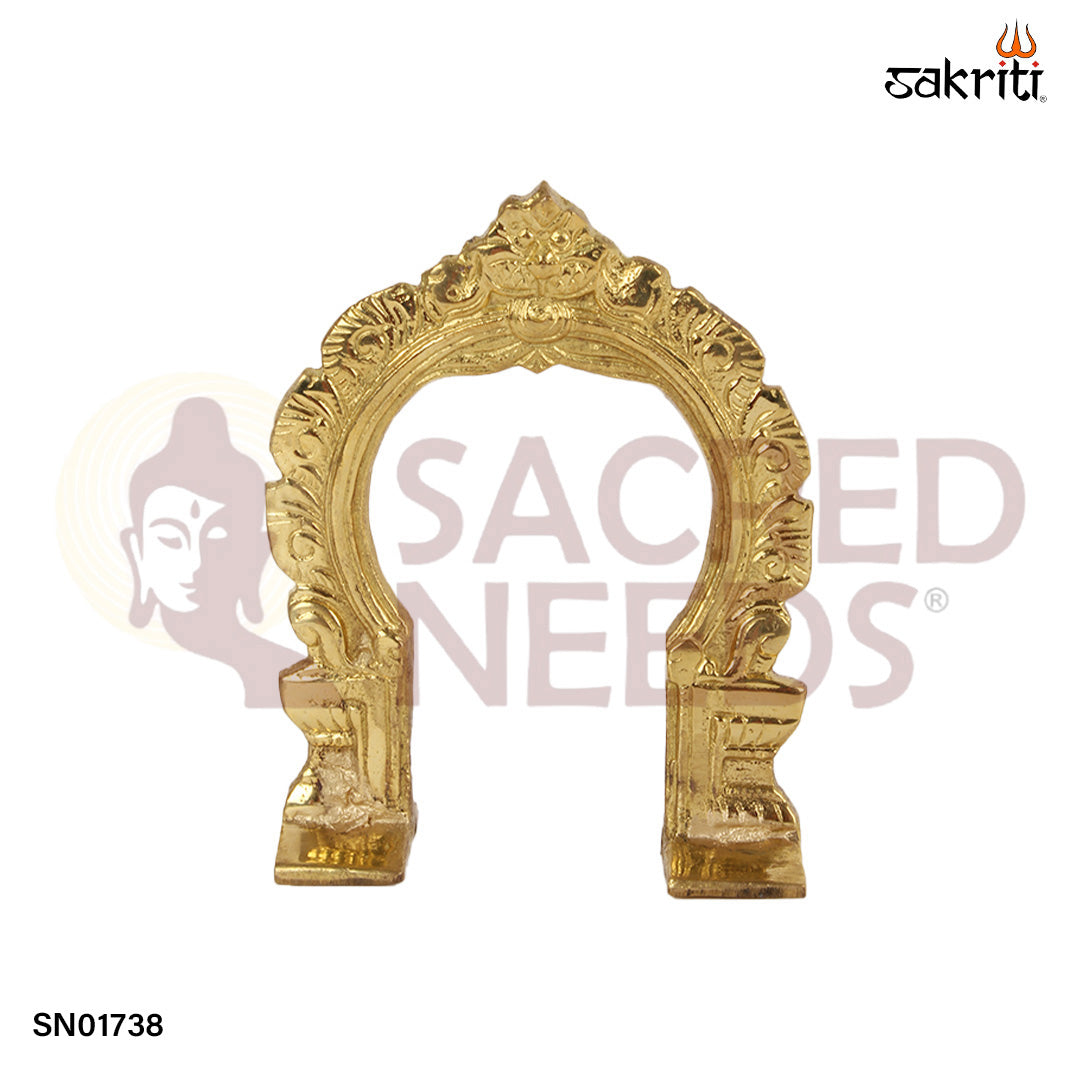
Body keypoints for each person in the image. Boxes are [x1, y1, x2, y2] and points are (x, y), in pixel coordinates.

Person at [120, 397, 302, 706]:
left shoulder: (282, 680)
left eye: (218, 539)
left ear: (255, 556)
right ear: (137, 553)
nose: (195, 563)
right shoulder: (101, 668)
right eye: (170, 539)